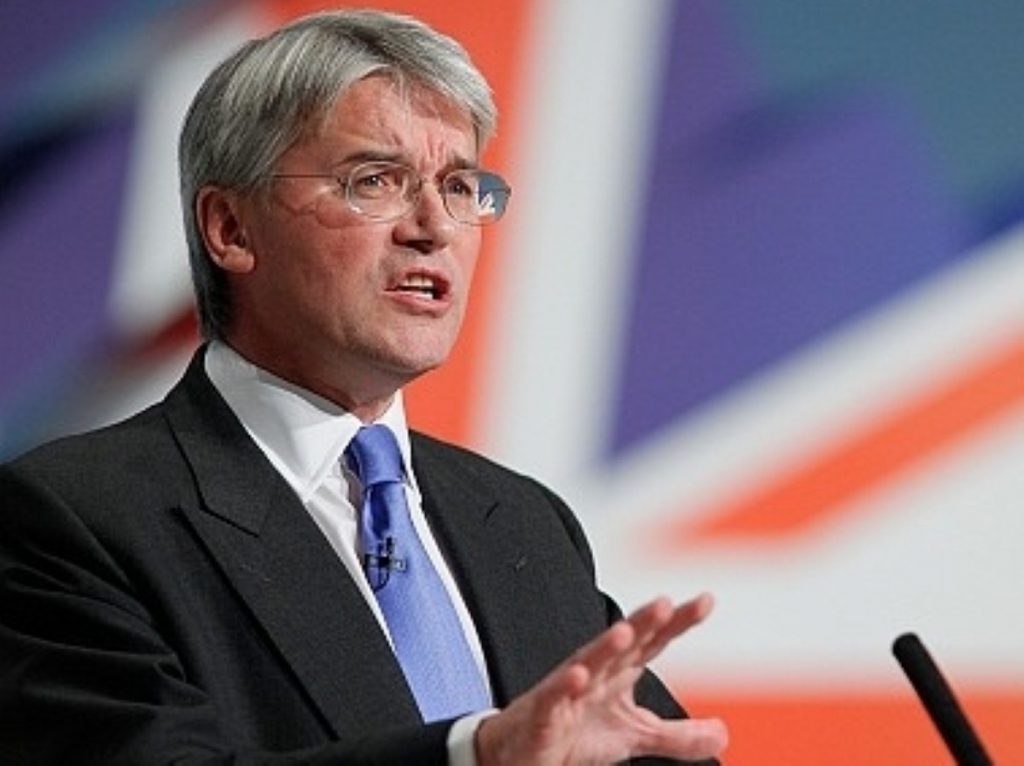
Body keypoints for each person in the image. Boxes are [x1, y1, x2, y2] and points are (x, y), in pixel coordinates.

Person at [0, 10, 727, 765]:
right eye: (375, 180)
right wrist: (474, 754)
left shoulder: (523, 525)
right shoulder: (72, 519)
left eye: (459, 186)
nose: (433, 227)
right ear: (231, 229)